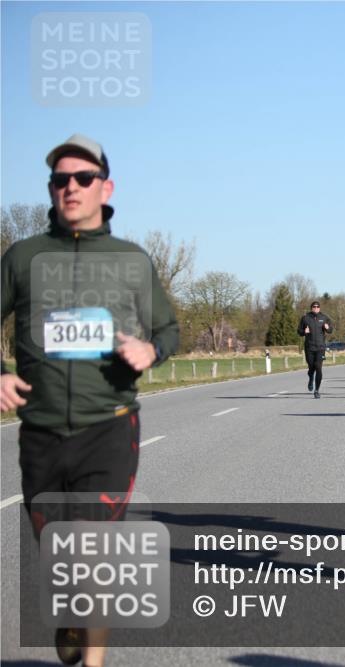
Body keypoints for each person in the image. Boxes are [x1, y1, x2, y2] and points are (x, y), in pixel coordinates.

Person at [0, 134, 180, 667]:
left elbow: (168, 330)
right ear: (51, 189)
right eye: (60, 180)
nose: (70, 187)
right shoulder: (23, 257)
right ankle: (70, 613)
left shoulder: (131, 260)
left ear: (106, 187)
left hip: (110, 427)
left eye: (82, 178)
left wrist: (152, 349)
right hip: (41, 432)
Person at [297, 300, 331, 398]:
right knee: (311, 368)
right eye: (314, 307)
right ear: (311, 308)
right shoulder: (305, 318)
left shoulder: (324, 318)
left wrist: (327, 328)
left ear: (319, 308)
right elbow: (299, 331)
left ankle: (317, 390)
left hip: (320, 348)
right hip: (309, 347)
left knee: (318, 368)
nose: (316, 308)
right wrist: (304, 331)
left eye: (317, 307)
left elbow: (330, 330)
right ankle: (311, 378)